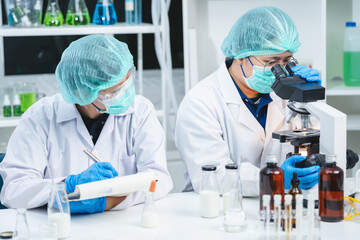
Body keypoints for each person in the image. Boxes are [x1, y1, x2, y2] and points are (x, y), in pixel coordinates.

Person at [0, 35, 173, 213]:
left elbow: (158, 178)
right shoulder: (40, 118)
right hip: (57, 226)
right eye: (115, 91)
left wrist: (104, 202)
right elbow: (14, 190)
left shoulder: (141, 111)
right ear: (83, 92)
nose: (127, 93)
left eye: (128, 81)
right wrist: (68, 185)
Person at [175, 7, 321, 196]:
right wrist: (274, 178)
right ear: (240, 56)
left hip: (275, 206)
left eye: (286, 61)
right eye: (271, 62)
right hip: (219, 208)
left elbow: (315, 136)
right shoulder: (201, 102)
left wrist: (311, 101)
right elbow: (213, 177)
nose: (281, 70)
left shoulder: (284, 93)